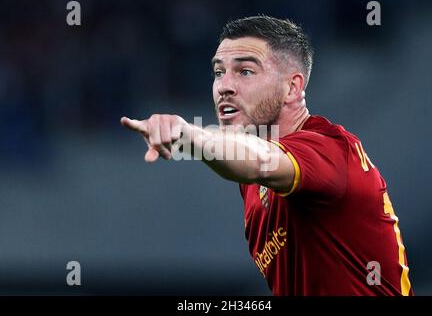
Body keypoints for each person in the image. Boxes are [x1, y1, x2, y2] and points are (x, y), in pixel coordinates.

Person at [121, 15, 413, 296]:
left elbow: (263, 160)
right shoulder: (250, 184)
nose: (224, 86)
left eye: (245, 71)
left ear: (292, 87)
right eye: (219, 72)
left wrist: (188, 135)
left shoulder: (330, 149)